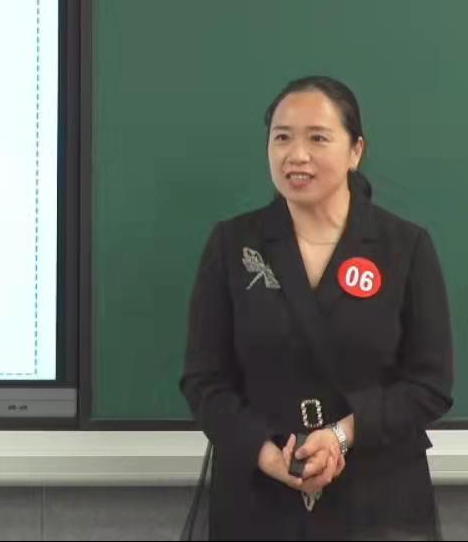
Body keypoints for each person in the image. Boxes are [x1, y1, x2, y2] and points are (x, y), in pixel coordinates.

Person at [179, 76, 454, 540]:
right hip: (258, 496)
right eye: (282, 138)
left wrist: (341, 435)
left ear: (355, 151)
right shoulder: (233, 245)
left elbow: (430, 385)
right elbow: (204, 381)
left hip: (378, 498)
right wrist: (268, 454)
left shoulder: (404, 247)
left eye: (318, 139)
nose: (296, 155)